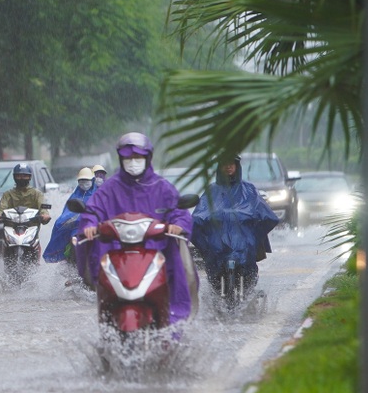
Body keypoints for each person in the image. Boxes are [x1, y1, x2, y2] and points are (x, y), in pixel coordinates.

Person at [77, 132, 197, 324]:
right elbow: (93, 210)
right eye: (128, 158)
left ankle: (175, 320)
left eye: (138, 158)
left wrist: (178, 225)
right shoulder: (109, 188)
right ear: (121, 159)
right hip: (117, 253)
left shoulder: (162, 187)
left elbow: (178, 211)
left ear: (147, 158)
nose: (133, 162)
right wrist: (90, 225)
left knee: (181, 265)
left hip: (158, 251)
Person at [191, 155, 279, 293]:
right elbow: (199, 216)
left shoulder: (248, 189)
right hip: (218, 245)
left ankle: (248, 290)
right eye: (225, 163)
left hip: (243, 243)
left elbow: (266, 214)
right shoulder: (212, 191)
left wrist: (254, 231)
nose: (228, 166)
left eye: (232, 163)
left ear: (237, 166)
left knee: (248, 270)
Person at [42, 167, 96, 263]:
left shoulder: (98, 194)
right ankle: (64, 255)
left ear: (92, 180)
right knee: (59, 226)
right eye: (81, 181)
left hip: (94, 226)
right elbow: (67, 212)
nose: (84, 183)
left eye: (86, 181)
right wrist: (65, 220)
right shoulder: (75, 195)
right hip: (77, 228)